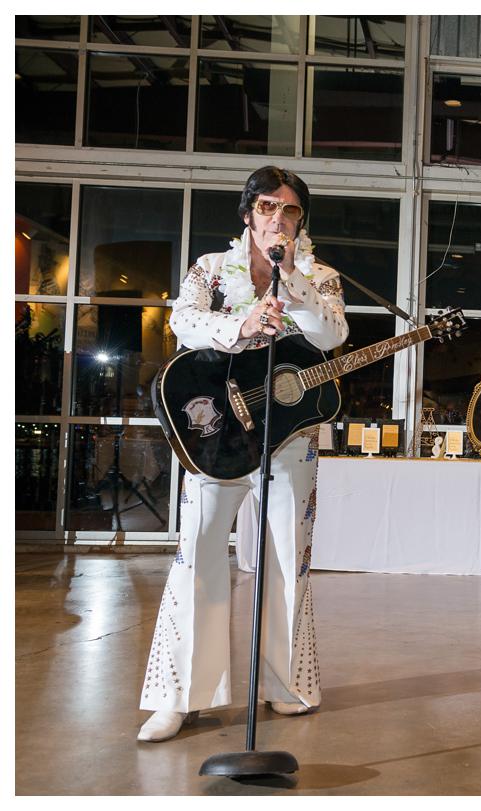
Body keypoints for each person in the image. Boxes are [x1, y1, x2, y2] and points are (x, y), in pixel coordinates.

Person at [139, 165, 349, 741]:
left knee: (287, 558)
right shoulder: (210, 268)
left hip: (288, 439)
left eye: (288, 210)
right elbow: (183, 321)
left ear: (300, 220)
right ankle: (180, 698)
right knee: (197, 556)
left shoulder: (319, 275)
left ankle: (287, 685)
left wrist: (292, 278)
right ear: (246, 213)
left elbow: (332, 334)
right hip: (215, 434)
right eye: (264, 207)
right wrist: (243, 321)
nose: (274, 218)